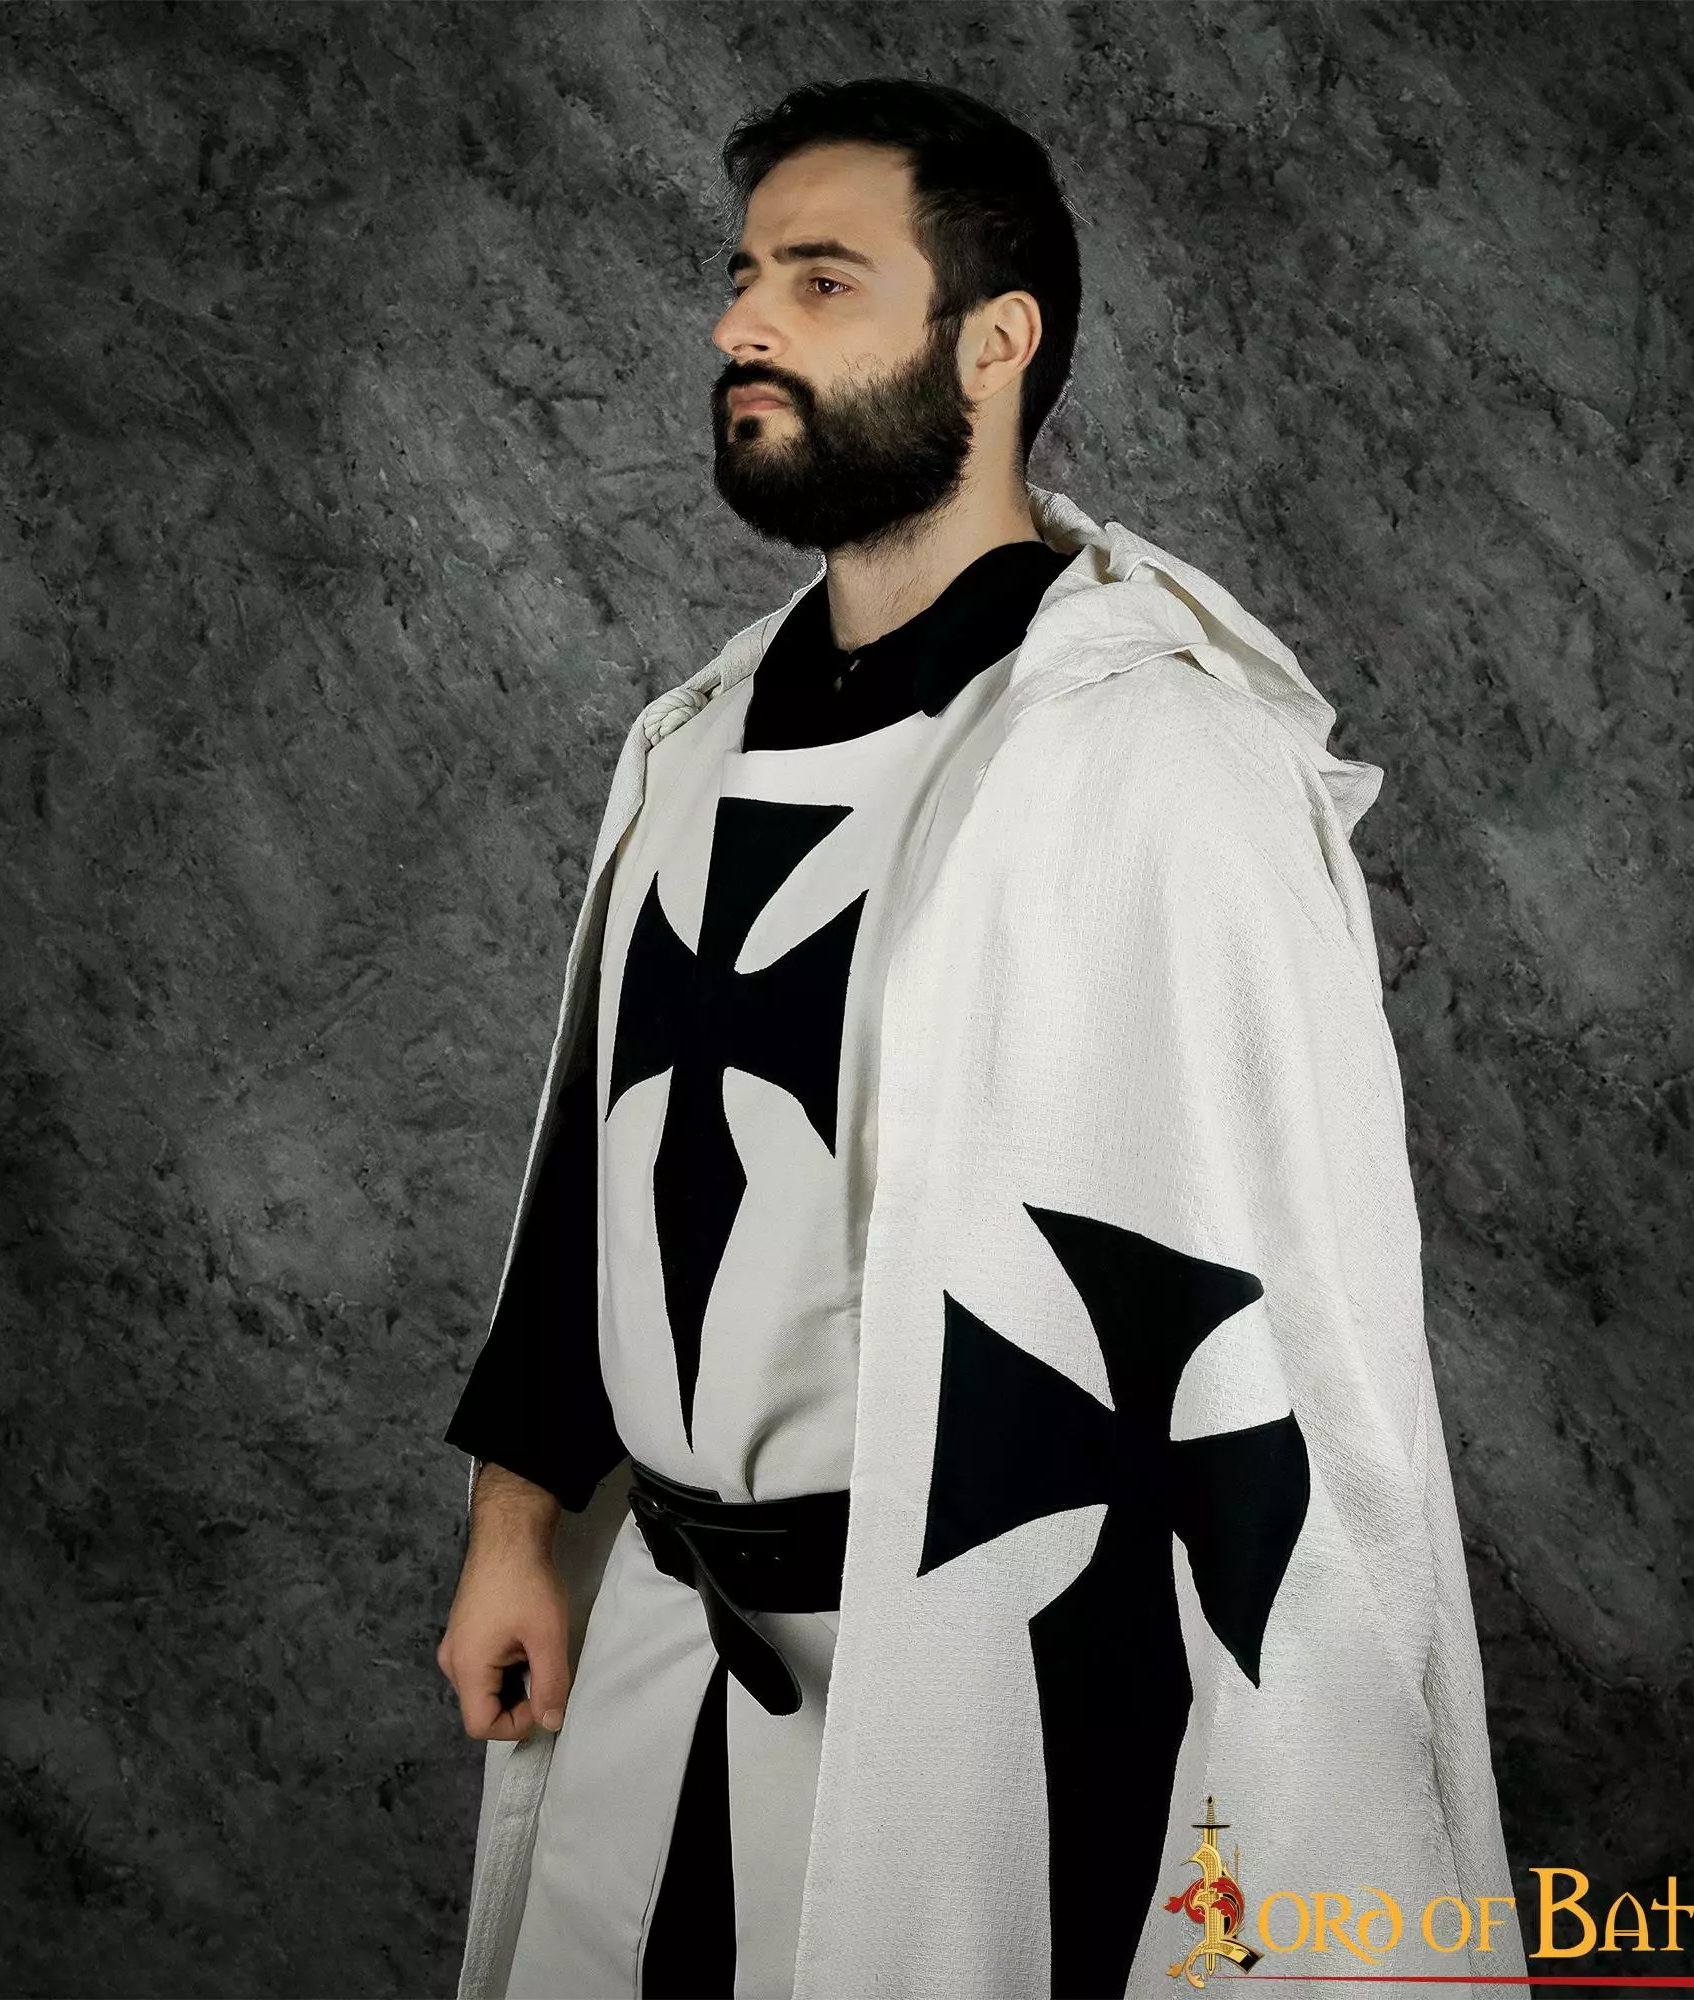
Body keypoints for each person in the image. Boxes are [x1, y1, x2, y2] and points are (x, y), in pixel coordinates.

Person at [436, 76, 1524, 2000]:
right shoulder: (688, 745)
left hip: (992, 1695)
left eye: (821, 280)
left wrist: (1303, 1769)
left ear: (992, 342)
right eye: (743, 275)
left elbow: (1280, 1322)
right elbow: (596, 1180)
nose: (741, 323)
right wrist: (518, 1528)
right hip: (662, 1665)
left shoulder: (1154, 762)